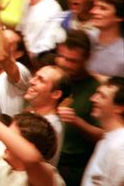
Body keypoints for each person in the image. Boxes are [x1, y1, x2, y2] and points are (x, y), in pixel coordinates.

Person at [54, 30, 103, 186]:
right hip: (47, 155)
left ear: (87, 58)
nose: (65, 64)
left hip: (72, 165)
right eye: (62, 57)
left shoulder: (97, 90)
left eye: (73, 61)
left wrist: (76, 121)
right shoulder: (53, 77)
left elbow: (104, 135)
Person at [23, 65, 71, 166]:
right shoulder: (35, 115)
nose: (32, 81)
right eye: (35, 76)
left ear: (56, 94)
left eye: (41, 80)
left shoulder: (50, 126)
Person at [80, 77, 124, 186]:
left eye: (102, 96)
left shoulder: (120, 144)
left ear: (119, 108)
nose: (93, 99)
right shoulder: (109, 139)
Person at [87, 0, 124, 78]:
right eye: (94, 6)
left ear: (119, 17)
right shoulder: (85, 37)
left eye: (103, 8)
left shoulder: (121, 55)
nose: (93, 12)